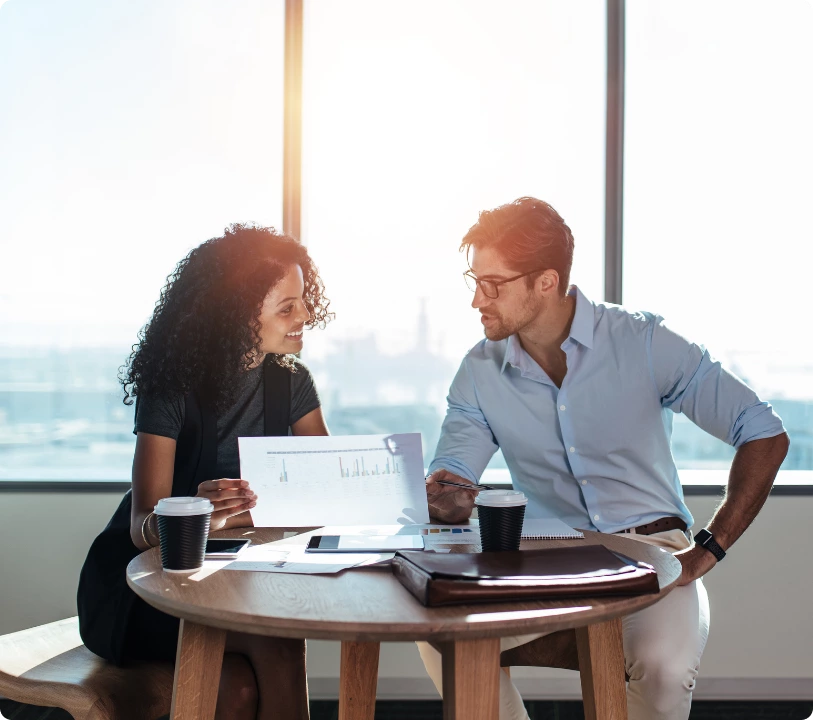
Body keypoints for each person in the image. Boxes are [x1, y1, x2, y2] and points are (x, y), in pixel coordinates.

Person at [419, 197, 789, 720]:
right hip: (541, 560)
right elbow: (453, 473)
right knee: (439, 634)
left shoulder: (643, 342)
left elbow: (764, 432)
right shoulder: (479, 371)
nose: (477, 299)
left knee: (663, 668)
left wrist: (707, 550)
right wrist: (445, 496)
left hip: (651, 551)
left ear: (545, 282)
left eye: (493, 284)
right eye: (473, 280)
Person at [78, 224, 333, 720]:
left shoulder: (292, 383)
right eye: (287, 307)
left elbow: (326, 487)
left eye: (303, 301)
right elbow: (139, 526)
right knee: (278, 645)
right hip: (143, 588)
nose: (304, 316)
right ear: (237, 314)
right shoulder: (173, 388)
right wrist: (195, 517)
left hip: (232, 578)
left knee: (236, 687)